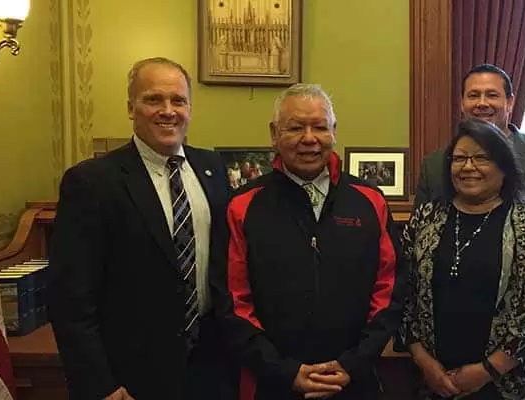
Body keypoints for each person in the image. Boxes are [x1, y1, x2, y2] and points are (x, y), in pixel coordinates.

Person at [48, 57, 235, 399]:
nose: (168, 110)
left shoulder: (212, 169)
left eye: (178, 100)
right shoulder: (92, 182)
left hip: (212, 367)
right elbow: (70, 300)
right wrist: (99, 384)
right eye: (153, 99)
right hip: (131, 377)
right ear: (131, 107)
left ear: (189, 108)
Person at [212, 83, 405, 399]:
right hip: (271, 383)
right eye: (295, 128)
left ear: (334, 131)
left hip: (354, 380)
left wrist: (352, 363)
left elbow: (390, 288)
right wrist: (284, 371)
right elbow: (233, 302)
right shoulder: (242, 206)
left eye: (319, 127)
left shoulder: (370, 201)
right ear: (274, 134)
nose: (309, 139)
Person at [413, 64, 525, 346]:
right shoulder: (436, 164)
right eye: (473, 95)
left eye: (491, 95)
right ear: (462, 104)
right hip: (450, 317)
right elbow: (419, 247)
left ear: (510, 102)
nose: (482, 103)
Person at [401, 118, 525, 400]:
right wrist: (425, 363)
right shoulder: (426, 217)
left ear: (504, 166)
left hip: (511, 382)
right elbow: (402, 294)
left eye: (481, 158)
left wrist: (486, 370)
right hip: (436, 380)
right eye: (460, 158)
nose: (468, 167)